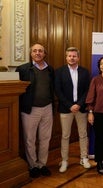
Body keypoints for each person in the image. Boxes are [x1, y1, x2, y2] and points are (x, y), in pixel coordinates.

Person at [15, 43, 54, 178]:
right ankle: (33, 166)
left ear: (44, 54)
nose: (38, 53)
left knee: (45, 139)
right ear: (31, 53)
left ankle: (42, 164)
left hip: (47, 108)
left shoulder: (50, 69)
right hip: (29, 110)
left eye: (41, 51)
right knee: (30, 139)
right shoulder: (22, 69)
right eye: (35, 51)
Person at [54, 47, 91, 173]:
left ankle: (83, 158)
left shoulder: (85, 72)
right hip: (66, 108)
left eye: (74, 56)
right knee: (65, 136)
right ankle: (64, 160)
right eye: (69, 56)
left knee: (83, 134)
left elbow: (87, 91)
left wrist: (79, 104)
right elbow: (58, 91)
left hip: (81, 108)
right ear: (66, 57)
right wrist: (70, 105)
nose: (72, 58)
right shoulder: (59, 72)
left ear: (78, 58)